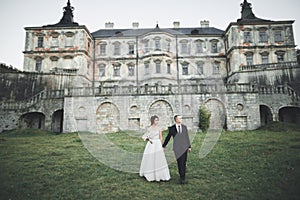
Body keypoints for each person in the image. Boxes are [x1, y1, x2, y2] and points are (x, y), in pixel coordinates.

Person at [139, 115, 171, 182]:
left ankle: (160, 174)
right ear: (153, 121)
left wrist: (162, 145)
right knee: (150, 158)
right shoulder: (149, 128)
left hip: (158, 144)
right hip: (151, 144)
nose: (157, 121)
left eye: (157, 120)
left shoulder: (159, 128)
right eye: (156, 120)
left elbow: (161, 137)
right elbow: (144, 136)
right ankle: (149, 174)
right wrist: (148, 139)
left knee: (159, 158)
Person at [162, 115, 191, 184]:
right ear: (176, 119)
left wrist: (189, 146)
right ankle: (181, 176)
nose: (181, 119)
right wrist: (164, 146)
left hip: (184, 147)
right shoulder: (172, 128)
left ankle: (183, 177)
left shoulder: (184, 127)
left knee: (183, 162)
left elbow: (186, 137)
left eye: (181, 118)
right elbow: (168, 137)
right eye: (179, 118)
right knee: (179, 162)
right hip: (177, 148)